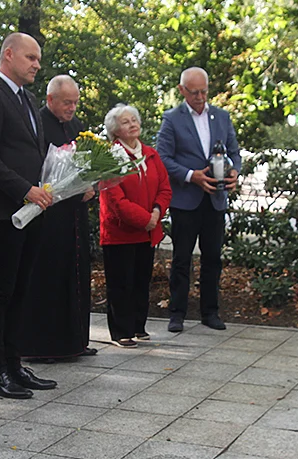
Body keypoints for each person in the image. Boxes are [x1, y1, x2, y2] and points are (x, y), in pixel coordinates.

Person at [0, 32, 57, 400]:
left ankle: (15, 364)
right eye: (31, 57)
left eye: (38, 58)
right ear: (8, 55)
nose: (37, 64)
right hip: (7, 212)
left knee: (22, 290)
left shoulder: (28, 99)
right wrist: (23, 188)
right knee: (1, 292)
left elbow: (29, 152)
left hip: (33, 210)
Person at [156, 66, 240, 333]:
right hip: (186, 200)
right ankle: (177, 313)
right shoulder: (172, 119)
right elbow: (163, 158)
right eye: (194, 93)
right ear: (182, 91)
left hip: (216, 199)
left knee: (213, 258)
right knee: (182, 259)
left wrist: (235, 171)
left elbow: (234, 153)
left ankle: (210, 312)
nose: (201, 97)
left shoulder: (222, 117)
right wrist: (192, 176)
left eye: (204, 91)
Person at [20, 74, 97, 362]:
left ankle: (75, 340)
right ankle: (45, 345)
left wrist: (91, 184)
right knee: (48, 278)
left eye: (75, 102)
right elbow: (38, 167)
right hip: (49, 213)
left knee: (74, 274)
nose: (72, 108)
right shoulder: (38, 124)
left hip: (74, 213)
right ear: (51, 99)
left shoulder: (76, 126)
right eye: (67, 102)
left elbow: (84, 163)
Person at [100, 104, 172, 348]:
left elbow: (164, 187)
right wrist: (145, 219)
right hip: (120, 232)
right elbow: (115, 200)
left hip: (147, 231)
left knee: (141, 281)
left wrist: (156, 212)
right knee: (121, 282)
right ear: (115, 130)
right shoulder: (110, 156)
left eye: (134, 120)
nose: (132, 124)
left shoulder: (151, 154)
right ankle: (121, 332)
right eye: (125, 122)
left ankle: (138, 326)